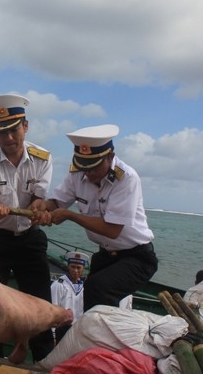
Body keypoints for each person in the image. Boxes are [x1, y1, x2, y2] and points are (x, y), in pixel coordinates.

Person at [0, 94, 54, 362]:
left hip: (30, 240)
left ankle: (44, 363)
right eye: (1, 132)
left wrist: (40, 209)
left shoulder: (43, 158)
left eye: (13, 130)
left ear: (25, 127)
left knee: (40, 305)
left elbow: (39, 200)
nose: (8, 138)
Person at [43, 124, 158, 312]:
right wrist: (42, 208)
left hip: (138, 257)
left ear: (110, 157)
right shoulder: (78, 173)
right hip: (106, 255)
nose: (88, 173)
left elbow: (112, 230)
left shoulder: (127, 178)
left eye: (94, 167)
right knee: (91, 298)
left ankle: (104, 338)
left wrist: (70, 215)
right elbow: (57, 203)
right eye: (84, 167)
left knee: (99, 288)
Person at [50, 251, 89, 343]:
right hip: (61, 330)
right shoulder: (59, 285)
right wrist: (53, 335)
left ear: (83, 268)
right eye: (73, 267)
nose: (75, 270)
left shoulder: (83, 287)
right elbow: (52, 309)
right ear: (68, 267)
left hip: (77, 330)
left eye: (78, 267)